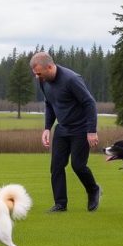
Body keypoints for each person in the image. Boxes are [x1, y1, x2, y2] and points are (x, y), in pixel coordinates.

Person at [30, 51, 101, 213]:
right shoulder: (43, 81)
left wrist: (91, 131)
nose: (37, 77)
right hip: (62, 128)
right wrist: (47, 128)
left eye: (39, 73)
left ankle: (93, 190)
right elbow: (50, 104)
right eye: (35, 74)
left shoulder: (71, 80)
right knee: (56, 166)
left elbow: (89, 103)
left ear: (49, 67)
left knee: (78, 165)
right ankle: (60, 204)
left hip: (80, 129)